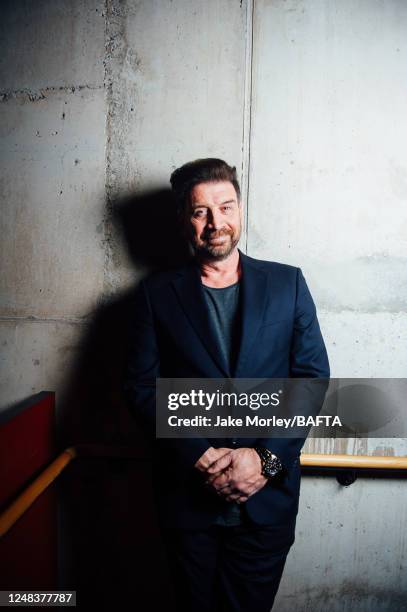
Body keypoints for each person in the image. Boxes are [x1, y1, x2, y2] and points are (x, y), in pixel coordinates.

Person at [123, 158, 330, 611]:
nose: (216, 222)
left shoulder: (287, 283)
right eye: (201, 211)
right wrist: (197, 455)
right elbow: (141, 387)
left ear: (240, 210)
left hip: (266, 504)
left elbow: (311, 379)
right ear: (185, 219)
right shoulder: (155, 295)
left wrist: (266, 459)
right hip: (187, 503)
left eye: (226, 206)